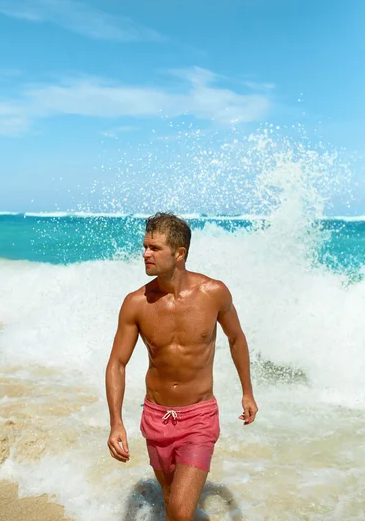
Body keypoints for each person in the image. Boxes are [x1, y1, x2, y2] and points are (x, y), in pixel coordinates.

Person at [106, 212, 258, 521]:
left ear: (179, 253)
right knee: (169, 500)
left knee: (179, 510)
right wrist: (116, 422)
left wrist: (247, 392)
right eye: (145, 246)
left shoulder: (213, 293)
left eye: (155, 248)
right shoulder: (136, 303)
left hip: (199, 417)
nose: (145, 254)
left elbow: (236, 338)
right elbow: (117, 364)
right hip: (155, 417)